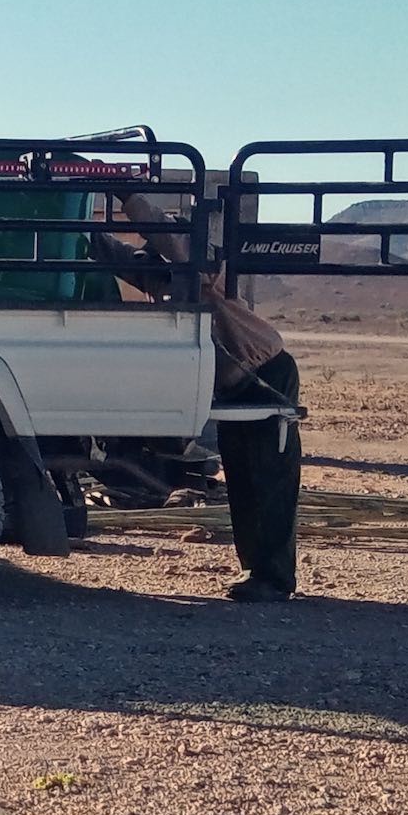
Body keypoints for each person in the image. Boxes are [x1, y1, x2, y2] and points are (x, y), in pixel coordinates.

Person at [97, 193, 303, 602]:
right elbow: (117, 255)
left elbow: (169, 239)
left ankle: (276, 577)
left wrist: (128, 196)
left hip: (266, 374)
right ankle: (258, 572)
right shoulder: (168, 281)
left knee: (269, 477)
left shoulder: (205, 268)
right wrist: (80, 232)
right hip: (235, 385)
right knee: (242, 476)